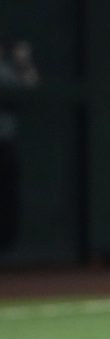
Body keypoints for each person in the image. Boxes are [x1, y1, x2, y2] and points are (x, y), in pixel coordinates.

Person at [0, 38, 39, 250]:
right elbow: (30, 86)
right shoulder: (5, 72)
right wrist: (24, 63)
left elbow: (31, 88)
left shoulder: (7, 70)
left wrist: (24, 63)